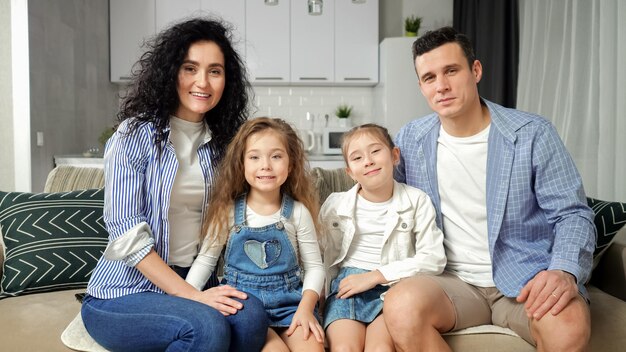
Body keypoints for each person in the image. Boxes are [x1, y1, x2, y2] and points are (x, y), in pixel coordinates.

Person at [386, 26, 596, 352]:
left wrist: (564, 270)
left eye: (451, 71)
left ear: (476, 70)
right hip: (449, 282)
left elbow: (573, 214)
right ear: (421, 86)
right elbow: (381, 195)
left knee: (568, 326)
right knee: (401, 306)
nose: (441, 86)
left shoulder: (532, 133)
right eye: (429, 78)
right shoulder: (410, 139)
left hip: (525, 276)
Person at [81, 18, 268, 352]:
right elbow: (125, 233)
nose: (203, 82)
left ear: (227, 80)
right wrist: (192, 297)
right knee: (205, 326)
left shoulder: (226, 144)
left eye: (215, 71)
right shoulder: (133, 136)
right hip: (125, 292)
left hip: (196, 279)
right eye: (190, 68)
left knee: (251, 315)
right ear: (170, 72)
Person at [186, 117, 326, 352]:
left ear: (290, 164)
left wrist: (306, 308)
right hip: (245, 308)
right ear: (241, 164)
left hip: (292, 305)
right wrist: (188, 298)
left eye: (276, 156)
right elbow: (206, 261)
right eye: (254, 157)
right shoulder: (227, 212)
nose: (266, 165)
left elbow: (315, 267)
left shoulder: (297, 213)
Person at [320, 123, 446, 351]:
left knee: (380, 349)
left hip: (392, 288)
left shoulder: (416, 200)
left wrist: (377, 275)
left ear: (394, 155)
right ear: (349, 172)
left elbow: (433, 258)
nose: (368, 161)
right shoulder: (335, 205)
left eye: (375, 151)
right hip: (347, 288)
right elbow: (318, 256)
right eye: (357, 158)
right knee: (344, 349)